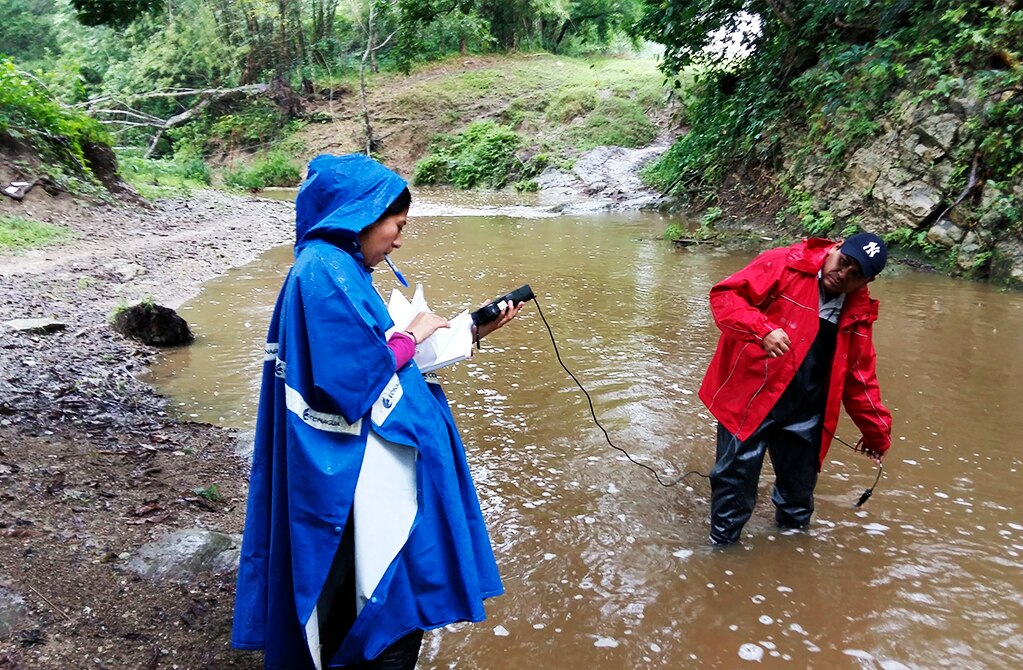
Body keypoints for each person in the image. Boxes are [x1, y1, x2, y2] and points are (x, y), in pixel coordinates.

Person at [231, 153, 523, 669]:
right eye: (398, 224)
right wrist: (412, 335)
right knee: (376, 597)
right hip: (358, 474)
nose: (399, 239)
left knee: (381, 589)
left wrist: (467, 332)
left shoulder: (338, 267)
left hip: (368, 464)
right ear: (361, 213)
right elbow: (352, 378)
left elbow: (363, 353)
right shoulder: (325, 270)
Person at [698, 232, 893, 546]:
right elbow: (725, 296)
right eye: (843, 263)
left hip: (805, 410)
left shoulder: (858, 312)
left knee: (798, 498)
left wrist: (877, 435)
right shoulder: (784, 263)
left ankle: (792, 558)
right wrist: (761, 329)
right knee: (734, 487)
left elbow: (860, 379)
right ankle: (721, 554)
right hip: (750, 397)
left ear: (867, 282)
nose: (843, 276)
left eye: (856, 275)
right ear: (837, 247)